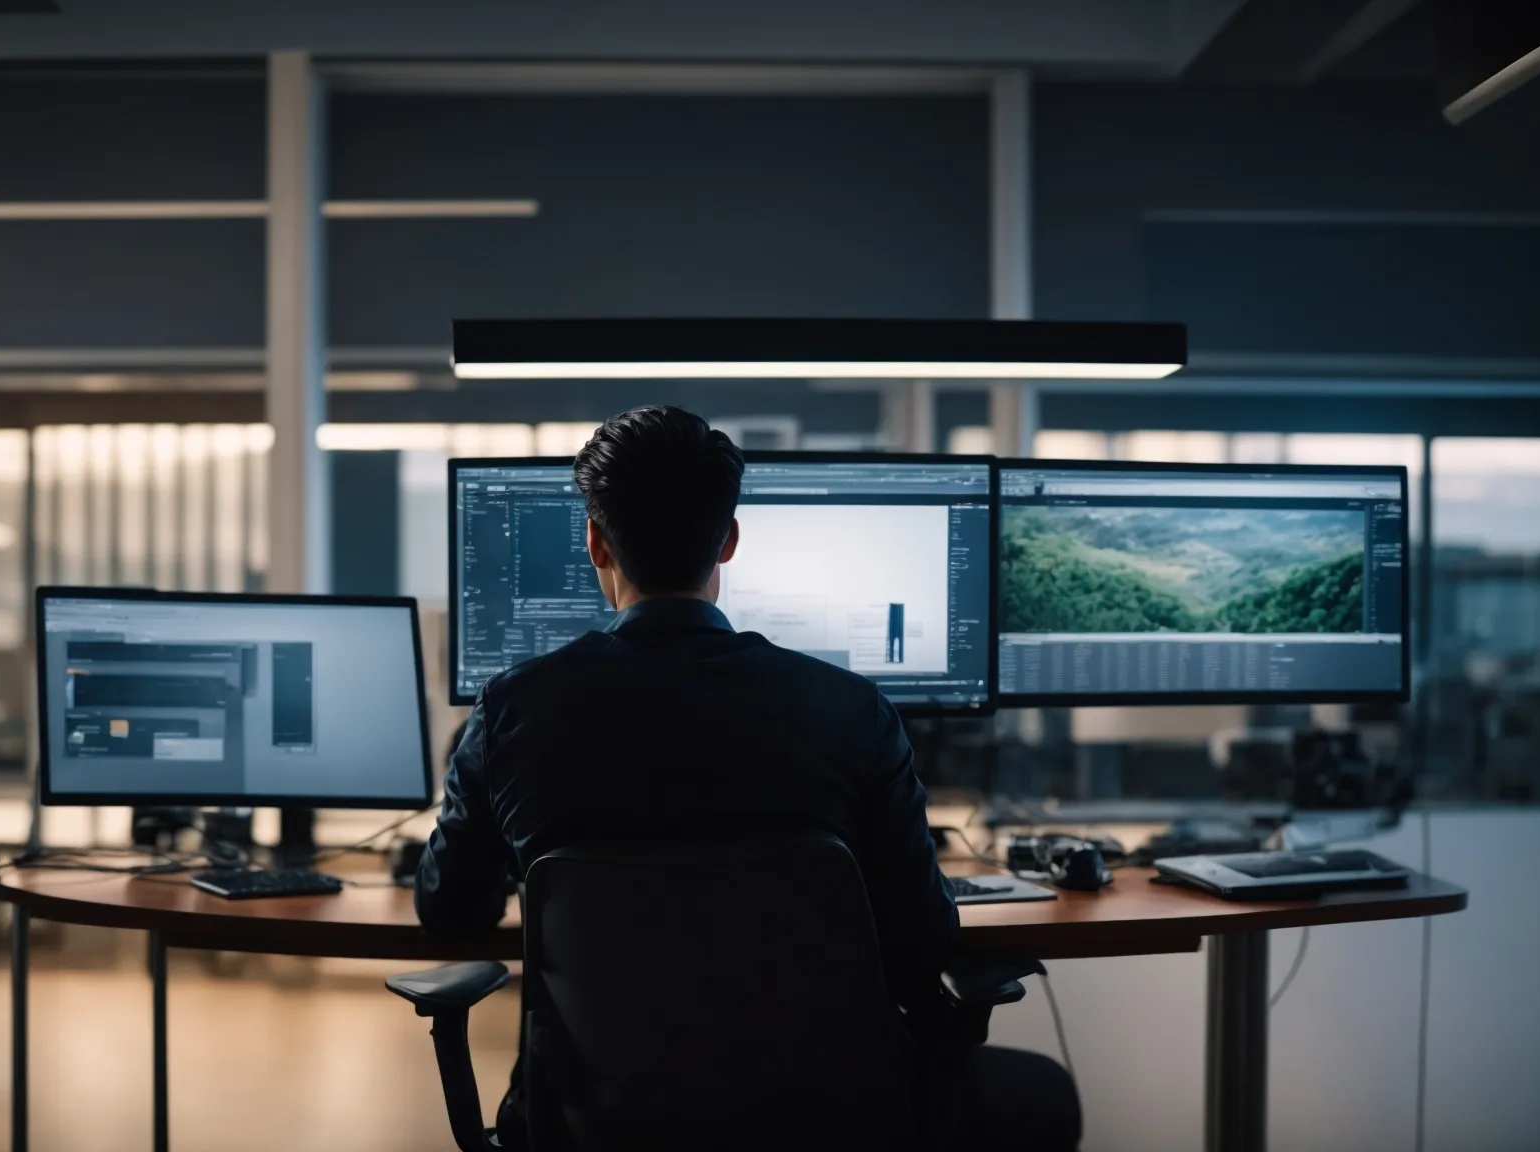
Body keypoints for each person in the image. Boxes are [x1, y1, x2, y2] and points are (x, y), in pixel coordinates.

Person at [415, 405, 1079, 1150]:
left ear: (595, 542)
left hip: (590, 1121)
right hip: (827, 1122)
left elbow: (450, 913)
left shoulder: (512, 710)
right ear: (729, 541)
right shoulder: (851, 711)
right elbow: (922, 940)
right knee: (1041, 1097)